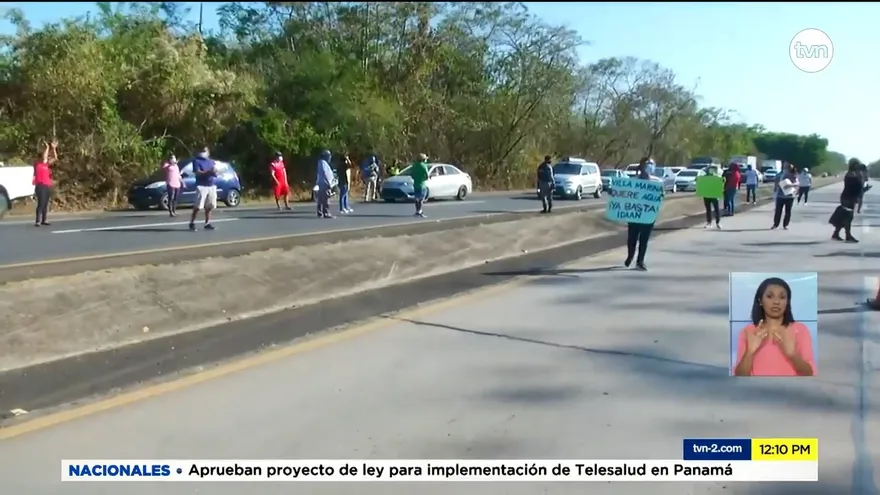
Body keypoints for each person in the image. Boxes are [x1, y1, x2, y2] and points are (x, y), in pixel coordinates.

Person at [733, 277, 815, 376]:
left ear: (787, 301)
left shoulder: (800, 330)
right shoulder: (748, 332)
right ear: (760, 300)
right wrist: (750, 352)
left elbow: (810, 374)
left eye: (782, 297)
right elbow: (739, 377)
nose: (776, 302)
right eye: (770, 296)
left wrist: (792, 355)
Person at [624, 157, 663, 271]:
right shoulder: (633, 181)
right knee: (632, 238)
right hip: (634, 214)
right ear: (642, 166)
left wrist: (661, 195)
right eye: (648, 164)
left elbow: (660, 196)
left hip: (648, 215)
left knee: (644, 239)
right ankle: (630, 255)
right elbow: (625, 195)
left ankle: (640, 261)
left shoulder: (657, 182)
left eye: (653, 164)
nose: (651, 166)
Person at [830, 158, 864, 242]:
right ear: (854, 165)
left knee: (845, 217)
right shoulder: (851, 174)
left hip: (850, 197)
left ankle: (836, 233)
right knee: (848, 217)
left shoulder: (853, 174)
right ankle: (847, 235)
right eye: (857, 164)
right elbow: (856, 186)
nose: (858, 166)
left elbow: (858, 187)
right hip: (848, 197)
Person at [189, 146, 218, 231]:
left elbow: (216, 172)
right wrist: (208, 172)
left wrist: (215, 172)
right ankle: (192, 223)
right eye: (202, 150)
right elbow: (197, 173)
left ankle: (207, 223)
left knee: (210, 206)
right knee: (198, 206)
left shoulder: (211, 161)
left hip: (211, 185)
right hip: (201, 186)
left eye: (205, 150)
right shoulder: (196, 161)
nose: (203, 152)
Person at [33, 140, 58, 227]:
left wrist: (54, 149)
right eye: (46, 157)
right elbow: (44, 157)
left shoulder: (46, 165)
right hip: (40, 185)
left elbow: (55, 158)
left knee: (45, 203)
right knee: (41, 203)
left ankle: (44, 220)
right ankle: (38, 221)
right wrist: (47, 147)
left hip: (46, 185)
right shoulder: (38, 164)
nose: (47, 158)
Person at [771, 163, 798, 230]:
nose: (786, 169)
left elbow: (797, 183)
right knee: (778, 211)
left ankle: (785, 225)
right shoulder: (779, 175)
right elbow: (776, 184)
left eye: (788, 168)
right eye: (785, 167)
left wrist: (790, 185)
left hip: (789, 196)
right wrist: (776, 190)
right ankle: (775, 224)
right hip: (780, 195)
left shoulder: (793, 175)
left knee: (788, 211)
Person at [316, 150, 334, 218]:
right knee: (326, 199)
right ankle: (326, 213)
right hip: (324, 183)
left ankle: (320, 212)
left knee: (321, 198)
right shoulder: (322, 163)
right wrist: (328, 182)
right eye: (329, 156)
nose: (330, 157)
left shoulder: (323, 162)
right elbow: (324, 173)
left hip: (322, 183)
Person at [410, 153, 430, 218]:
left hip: (416, 184)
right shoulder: (423, 166)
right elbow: (427, 175)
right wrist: (424, 178)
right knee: (421, 199)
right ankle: (420, 211)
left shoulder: (414, 166)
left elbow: (412, 175)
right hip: (422, 184)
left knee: (416, 198)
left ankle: (417, 211)